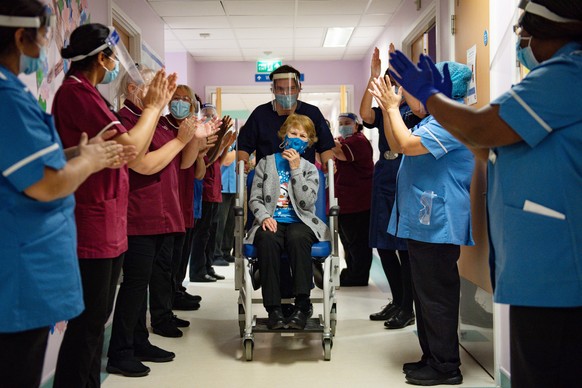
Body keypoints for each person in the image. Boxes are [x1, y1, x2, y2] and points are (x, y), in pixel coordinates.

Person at [387, 1, 582, 386]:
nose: (523, 41)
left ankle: (443, 364)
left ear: (553, 31)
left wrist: (431, 98)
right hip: (541, 266)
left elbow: (479, 131)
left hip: (557, 268)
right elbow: (488, 146)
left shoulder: (565, 74)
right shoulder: (555, 78)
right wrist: (437, 106)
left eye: (525, 32)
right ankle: (435, 358)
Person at [0, 3, 127, 386]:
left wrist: (75, 155)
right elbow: (47, 183)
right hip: (23, 269)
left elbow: (30, 164)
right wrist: (89, 160)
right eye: (41, 36)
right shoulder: (8, 99)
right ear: (21, 36)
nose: (44, 46)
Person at [52, 23, 177, 387]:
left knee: (95, 324)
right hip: (91, 224)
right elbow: (132, 151)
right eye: (111, 59)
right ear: (102, 58)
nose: (114, 66)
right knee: (88, 326)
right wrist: (153, 107)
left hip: (108, 222)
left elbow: (120, 149)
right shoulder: (76, 95)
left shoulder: (90, 94)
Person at [107, 69, 218, 377]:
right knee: (134, 286)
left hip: (161, 215)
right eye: (158, 87)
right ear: (132, 88)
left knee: (145, 284)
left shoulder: (152, 120)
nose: (165, 96)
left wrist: (192, 139)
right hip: (138, 217)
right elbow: (143, 165)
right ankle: (120, 351)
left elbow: (183, 162)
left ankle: (138, 341)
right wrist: (181, 139)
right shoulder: (127, 120)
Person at [370, 61, 474, 386]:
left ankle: (446, 366)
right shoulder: (430, 121)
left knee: (436, 296)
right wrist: (390, 111)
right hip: (423, 222)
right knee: (424, 295)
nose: (409, 94)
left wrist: (390, 106)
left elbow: (405, 146)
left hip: (439, 224)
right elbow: (394, 141)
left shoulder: (450, 122)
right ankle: (432, 357)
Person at [245, 114, 331, 330]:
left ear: (308, 143)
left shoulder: (310, 169)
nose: (297, 138)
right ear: (284, 134)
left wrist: (295, 169)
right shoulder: (265, 163)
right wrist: (264, 216)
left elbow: (305, 202)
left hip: (301, 221)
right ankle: (273, 309)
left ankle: (302, 305)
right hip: (271, 219)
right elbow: (254, 198)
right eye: (293, 133)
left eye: (303, 136)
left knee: (297, 236)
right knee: (266, 237)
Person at [361, 45, 422, 328]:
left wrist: (403, 76)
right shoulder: (385, 108)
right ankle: (397, 301)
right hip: (384, 173)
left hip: (403, 172)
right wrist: (373, 77)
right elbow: (364, 115)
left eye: (396, 80)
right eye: (389, 80)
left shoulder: (415, 108)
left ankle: (407, 307)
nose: (392, 84)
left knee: (403, 247)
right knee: (383, 244)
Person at [237, 65, 335, 171]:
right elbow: (244, 146)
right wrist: (243, 163)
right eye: (280, 89)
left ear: (299, 87)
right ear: (273, 89)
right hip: (267, 177)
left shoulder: (312, 113)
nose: (285, 94)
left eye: (291, 88)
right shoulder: (260, 114)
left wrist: (328, 164)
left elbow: (325, 146)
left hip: (303, 179)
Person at [189, 104, 235, 282]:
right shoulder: (201, 136)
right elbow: (206, 162)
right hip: (205, 192)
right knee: (202, 234)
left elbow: (219, 161)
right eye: (205, 114)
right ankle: (198, 271)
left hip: (216, 190)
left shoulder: (215, 136)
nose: (209, 117)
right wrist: (221, 142)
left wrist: (224, 144)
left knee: (210, 232)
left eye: (212, 115)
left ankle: (208, 266)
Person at [331, 113, 374, 287]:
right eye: (340, 123)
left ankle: (358, 277)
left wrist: (322, 136)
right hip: (346, 202)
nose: (343, 126)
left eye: (347, 123)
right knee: (348, 242)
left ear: (357, 125)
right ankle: (352, 273)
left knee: (358, 243)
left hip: (359, 202)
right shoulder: (344, 141)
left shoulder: (359, 141)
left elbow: (341, 154)